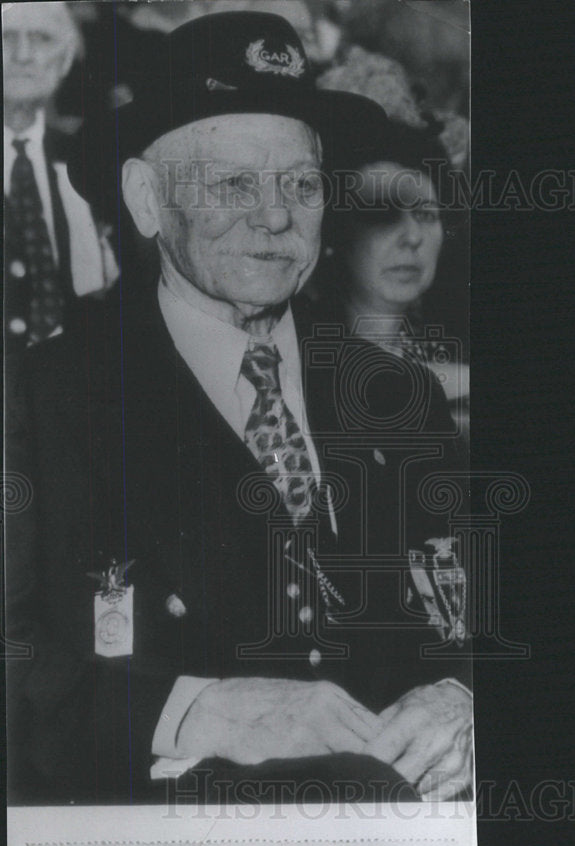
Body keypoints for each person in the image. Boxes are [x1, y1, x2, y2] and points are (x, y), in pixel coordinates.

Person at [7, 11, 472, 805]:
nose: (277, 216)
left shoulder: (397, 394)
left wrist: (464, 698)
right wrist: (193, 710)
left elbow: (478, 615)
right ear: (146, 200)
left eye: (301, 183)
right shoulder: (44, 401)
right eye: (233, 184)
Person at [313, 119, 469, 441]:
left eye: (426, 215)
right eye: (382, 214)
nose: (412, 237)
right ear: (334, 231)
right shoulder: (301, 365)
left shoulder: (444, 358)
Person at [2, 1, 118, 352]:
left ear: (65, 59)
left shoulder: (92, 159)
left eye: (40, 38)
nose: (23, 55)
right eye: (5, 37)